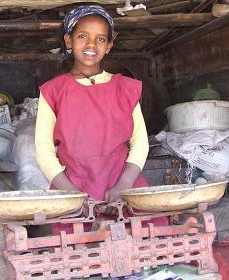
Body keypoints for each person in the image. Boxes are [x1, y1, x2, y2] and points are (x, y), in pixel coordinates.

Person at [35, 5, 149, 209]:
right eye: (82, 36)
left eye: (101, 39)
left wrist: (124, 185)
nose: (91, 44)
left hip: (124, 189)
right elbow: (43, 149)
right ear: (68, 40)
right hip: (72, 190)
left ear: (109, 46)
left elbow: (140, 142)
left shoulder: (125, 88)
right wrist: (69, 192)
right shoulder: (53, 91)